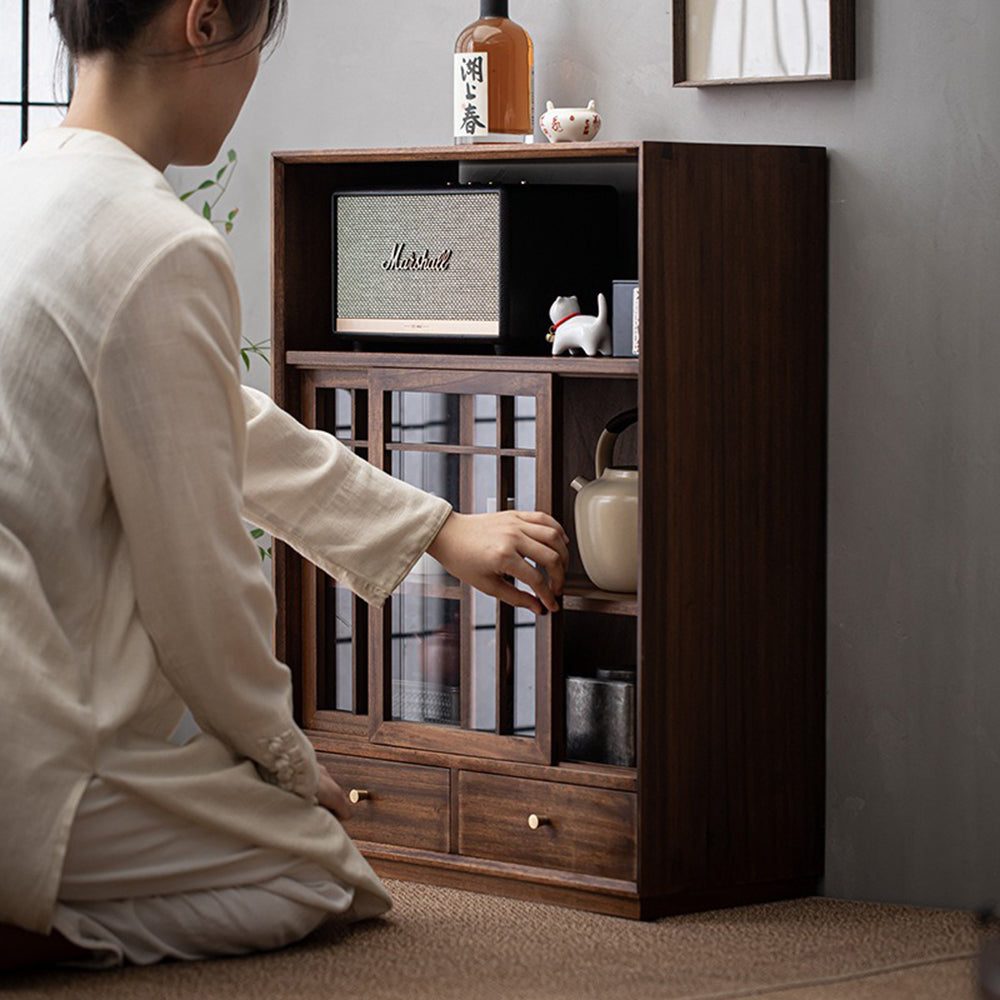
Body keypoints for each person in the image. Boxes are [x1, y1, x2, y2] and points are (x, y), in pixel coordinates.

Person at [0, 0, 569, 970]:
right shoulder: (155, 244)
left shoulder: (18, 190)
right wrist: (288, 762)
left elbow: (219, 422)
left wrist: (436, 526)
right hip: (32, 744)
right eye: (262, 44)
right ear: (205, 23)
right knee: (322, 873)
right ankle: (35, 921)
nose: (255, 73)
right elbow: (202, 592)